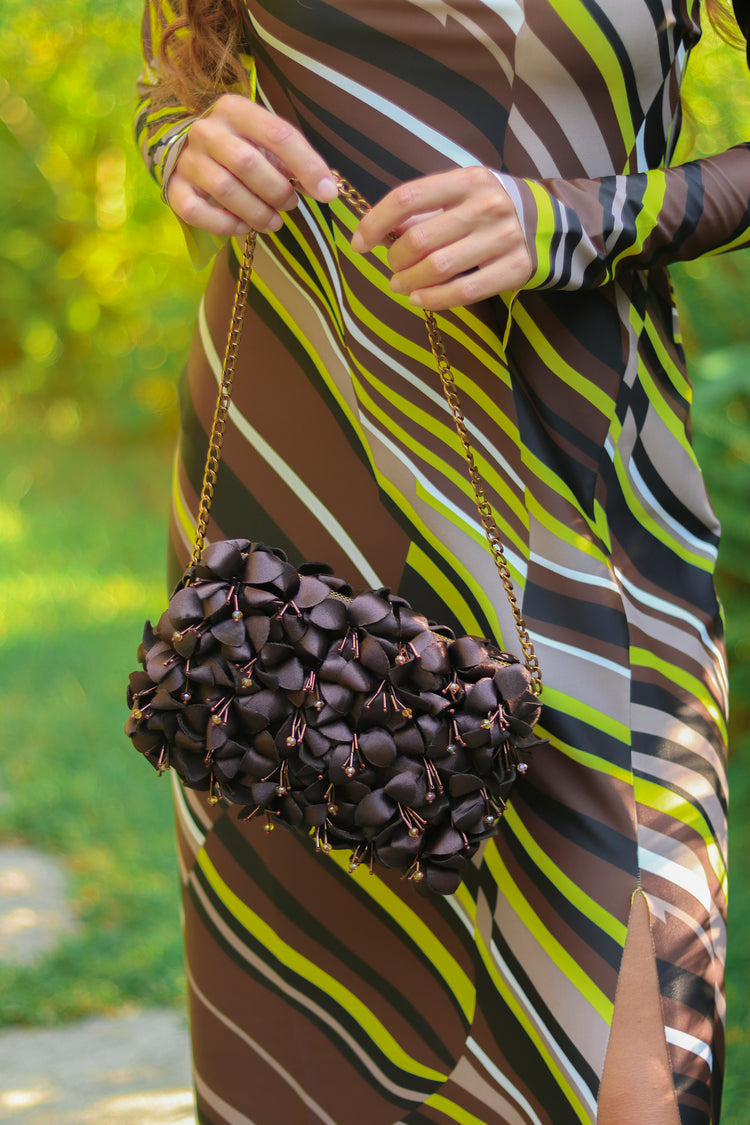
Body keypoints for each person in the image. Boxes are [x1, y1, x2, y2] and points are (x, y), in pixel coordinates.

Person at [135, 2, 748, 1123]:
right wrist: (190, 144)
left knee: (629, 1055)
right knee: (334, 1023)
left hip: (587, 472)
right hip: (312, 483)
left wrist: (580, 219)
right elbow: (175, 80)